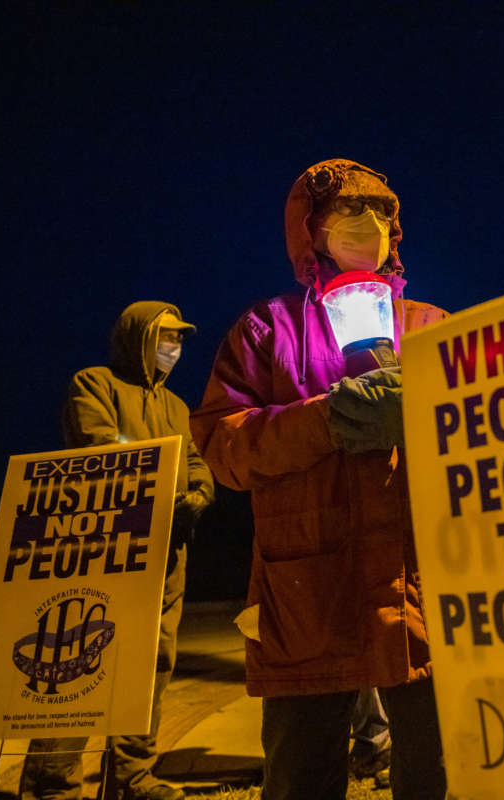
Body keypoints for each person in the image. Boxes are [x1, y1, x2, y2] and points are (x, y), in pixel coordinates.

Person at [189, 158, 448, 800]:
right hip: (305, 590)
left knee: (439, 772)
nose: (367, 225)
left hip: (420, 585)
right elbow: (223, 447)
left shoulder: (431, 326)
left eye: (380, 212)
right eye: (344, 213)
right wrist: (328, 419)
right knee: (303, 774)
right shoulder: (264, 330)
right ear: (310, 234)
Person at [20, 302, 215, 800]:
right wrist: (165, 489)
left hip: (166, 552)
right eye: (166, 337)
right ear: (139, 338)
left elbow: (196, 460)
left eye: (179, 340)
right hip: (104, 547)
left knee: (152, 661)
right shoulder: (95, 383)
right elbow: (100, 447)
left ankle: (131, 777)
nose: (174, 348)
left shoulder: (175, 406)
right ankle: (51, 783)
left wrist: (199, 493)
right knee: (77, 660)